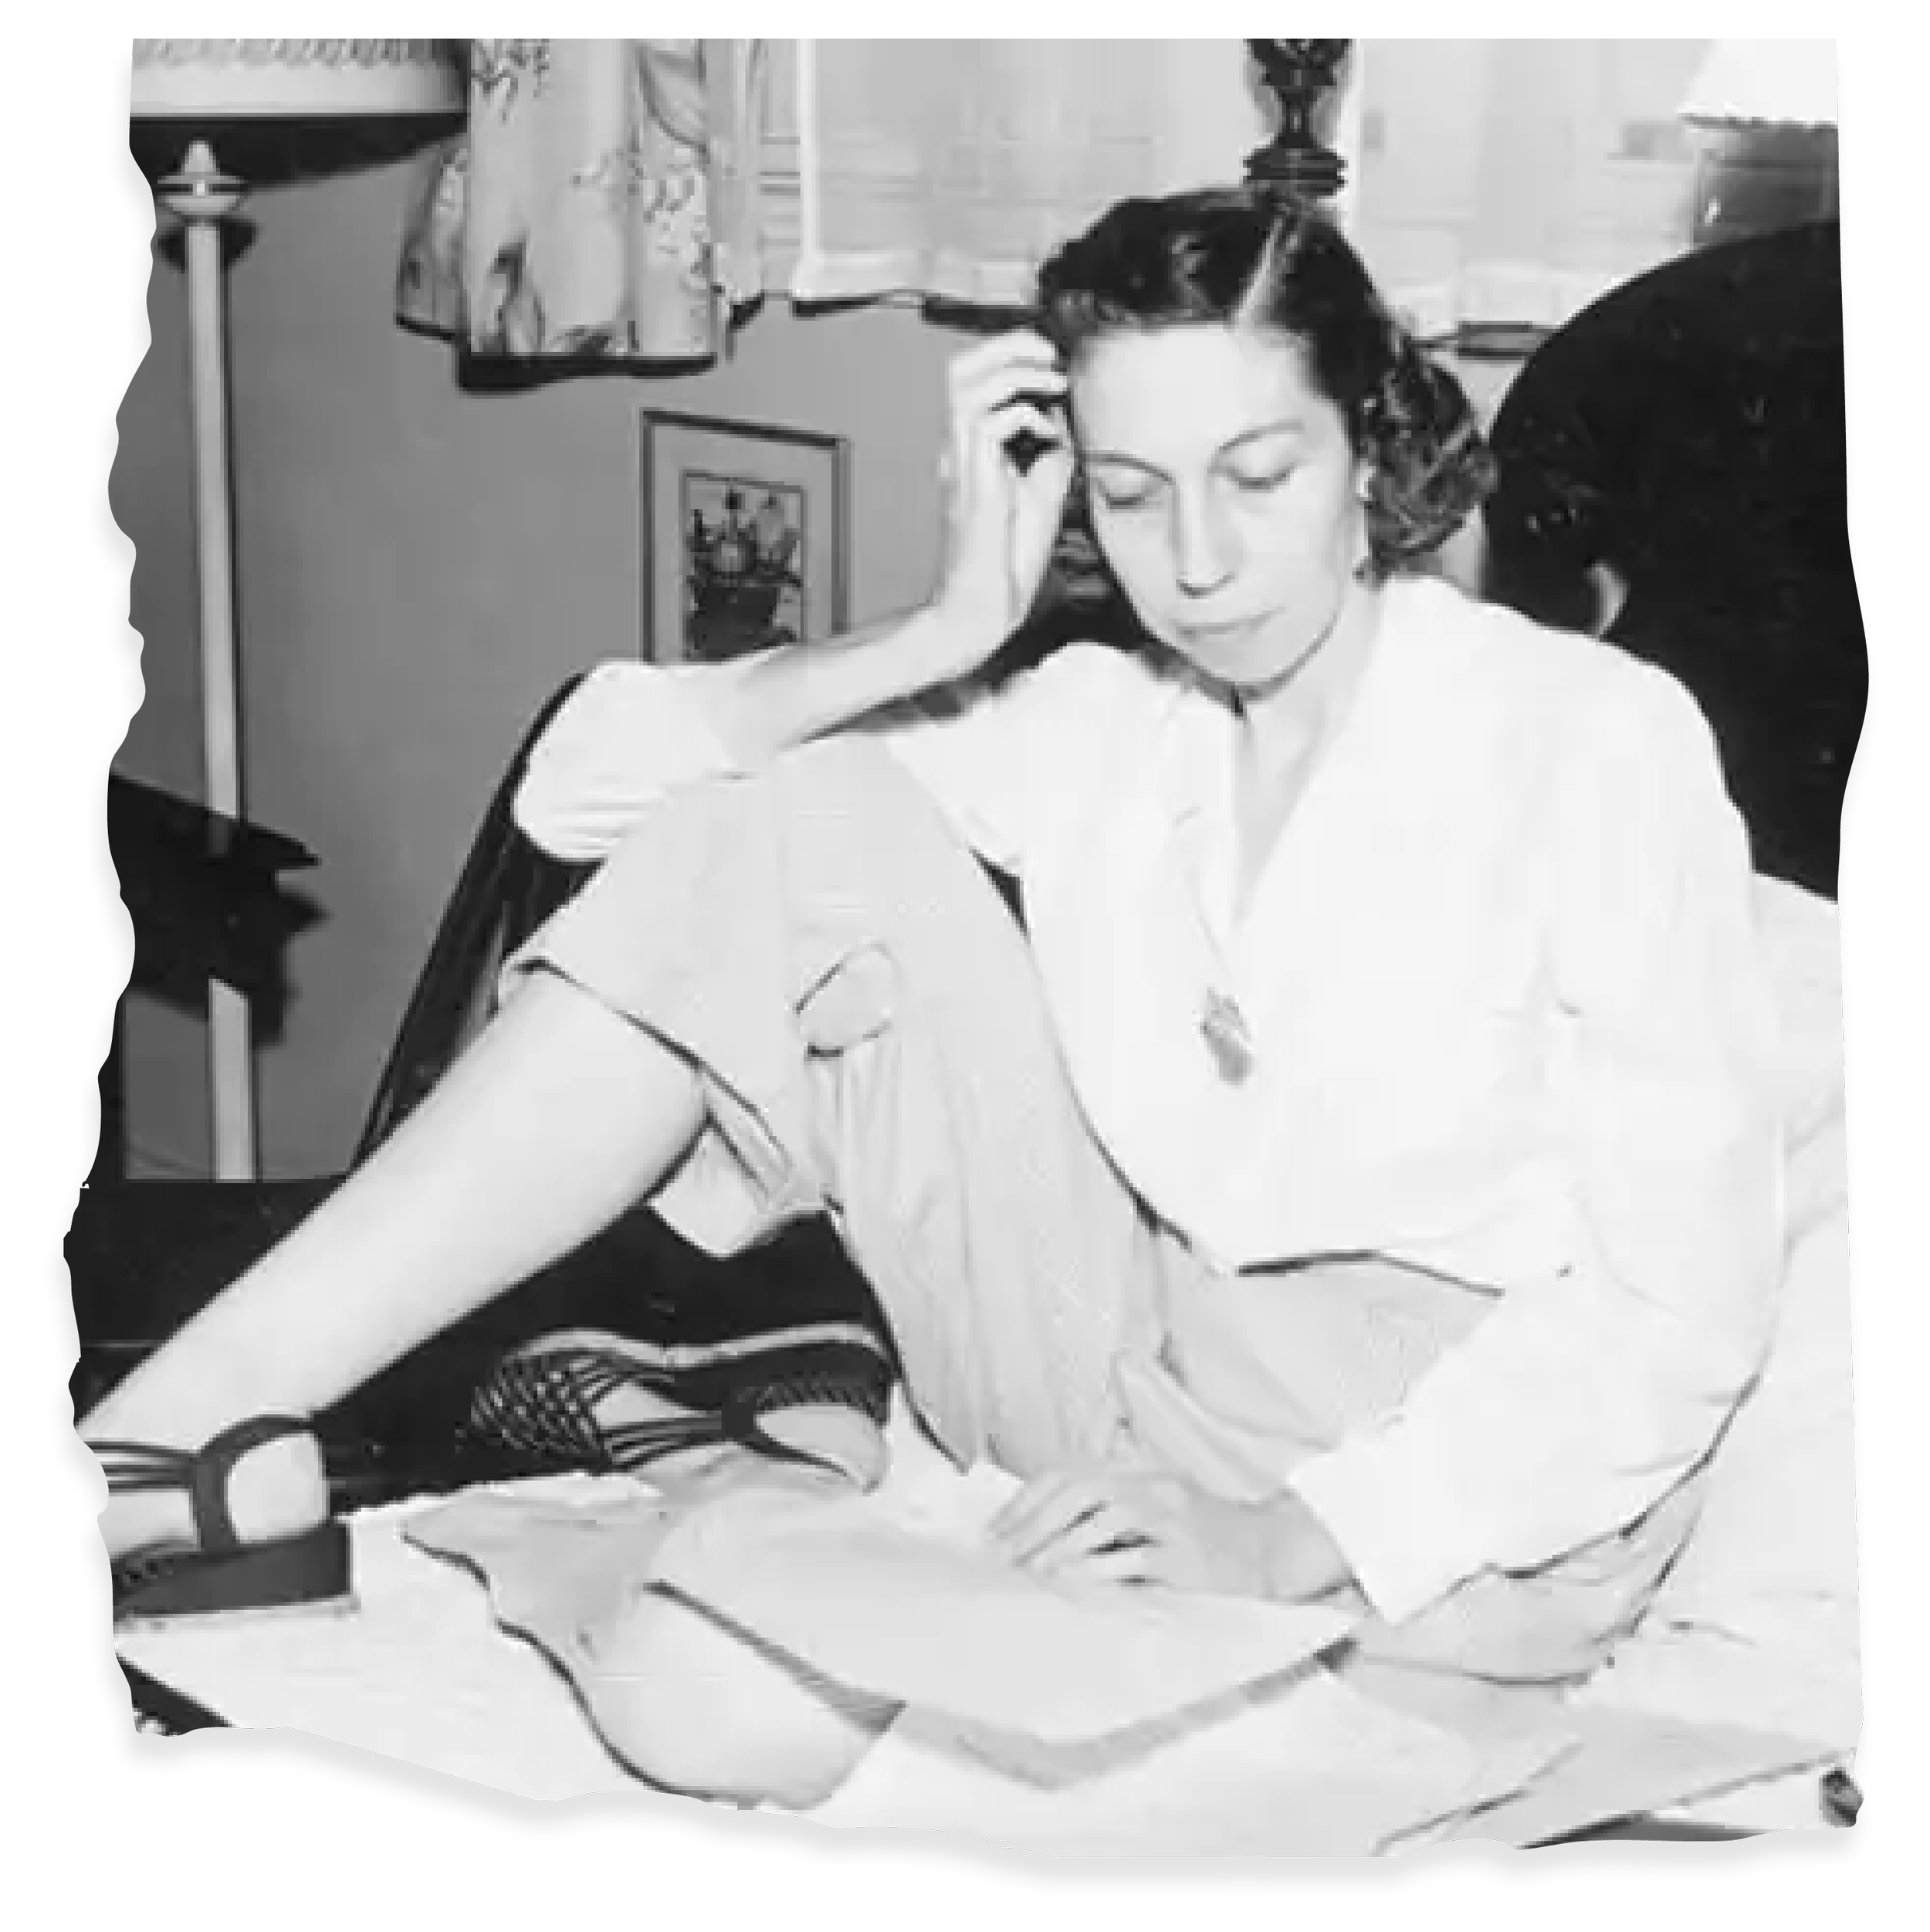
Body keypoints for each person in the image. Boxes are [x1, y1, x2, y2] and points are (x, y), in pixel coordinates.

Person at [80, 185, 1790, 1719]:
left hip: (1465, 1495)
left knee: (704, 1695)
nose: (1194, 563)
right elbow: (593, 798)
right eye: (1128, 494)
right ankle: (191, 1428)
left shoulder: (1583, 743)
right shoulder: (1105, 719)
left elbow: (1676, 1312)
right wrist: (940, 628)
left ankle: (788, 1487)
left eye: (1255, 476)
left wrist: (1303, 1536)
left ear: (1371, 444)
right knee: (800, 828)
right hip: (1144, 1382)